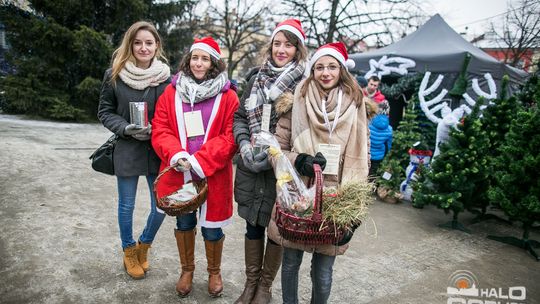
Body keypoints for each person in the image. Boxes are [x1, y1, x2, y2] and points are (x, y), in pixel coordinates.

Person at [268, 42, 370, 304]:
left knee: (323, 271)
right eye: (319, 67)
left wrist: (353, 213)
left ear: (342, 70)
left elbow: (362, 157)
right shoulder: (296, 100)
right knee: (290, 262)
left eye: (332, 67)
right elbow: (276, 149)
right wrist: (298, 159)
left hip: (337, 199)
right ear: (312, 70)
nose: (326, 72)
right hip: (298, 194)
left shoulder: (356, 104)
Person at [151, 36, 239, 298]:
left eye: (205, 58)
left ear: (214, 63)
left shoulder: (229, 96)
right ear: (188, 60)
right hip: (180, 170)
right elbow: (161, 128)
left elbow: (230, 136)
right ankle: (187, 270)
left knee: (212, 227)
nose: (199, 63)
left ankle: (214, 271)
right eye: (195, 57)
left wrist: (200, 160)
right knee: (184, 221)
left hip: (213, 172)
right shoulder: (172, 92)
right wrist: (176, 154)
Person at [233, 19, 308, 304]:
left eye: (288, 44)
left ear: (297, 49)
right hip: (252, 165)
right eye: (277, 43)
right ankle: (250, 284)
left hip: (282, 170)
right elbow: (240, 118)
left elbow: (303, 130)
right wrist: (243, 145)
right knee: (253, 225)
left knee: (277, 229)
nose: (281, 49)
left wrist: (277, 153)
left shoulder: (303, 86)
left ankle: (265, 287)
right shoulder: (255, 79)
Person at [97, 21, 170, 280]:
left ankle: (144, 245)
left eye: (148, 42)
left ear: (157, 46)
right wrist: (126, 128)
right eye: (137, 42)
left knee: (161, 206)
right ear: (130, 44)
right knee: (126, 205)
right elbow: (104, 112)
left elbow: (172, 114)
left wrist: (159, 130)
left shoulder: (166, 78)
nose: (143, 47)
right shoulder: (115, 74)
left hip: (155, 149)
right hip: (127, 146)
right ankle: (128, 250)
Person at [368, 114, 393, 181]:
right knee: (374, 171)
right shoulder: (389, 130)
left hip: (367, 153)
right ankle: (372, 185)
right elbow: (388, 144)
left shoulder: (369, 126)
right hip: (379, 156)